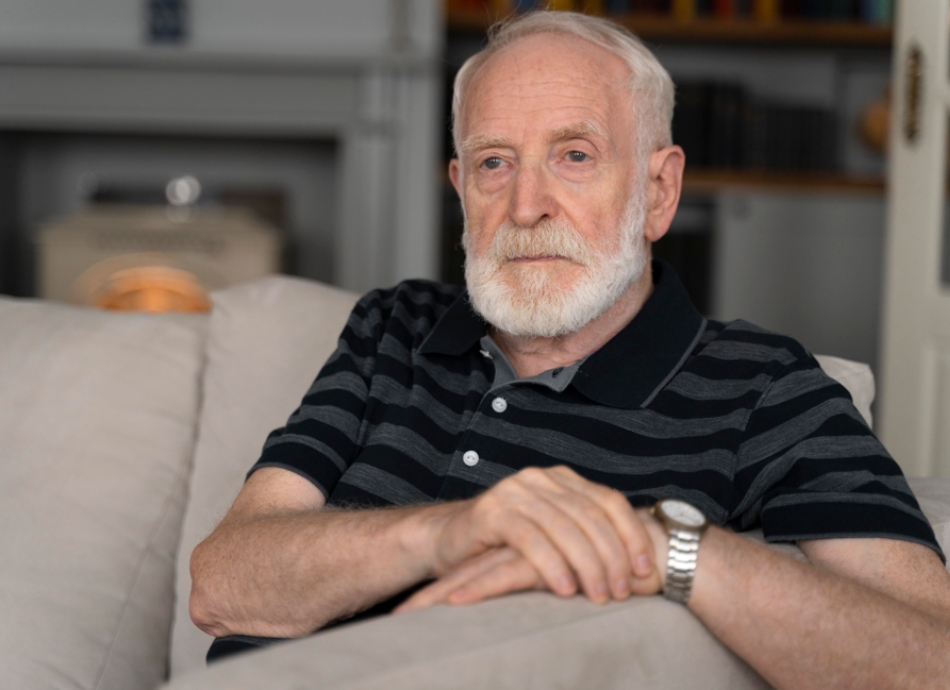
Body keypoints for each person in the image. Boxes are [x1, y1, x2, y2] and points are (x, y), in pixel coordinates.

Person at [189, 11, 950, 687]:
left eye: (575, 156)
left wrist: (666, 549)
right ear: (461, 189)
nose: (526, 206)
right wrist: (446, 533)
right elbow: (221, 585)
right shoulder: (393, 327)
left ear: (659, 192)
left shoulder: (763, 387)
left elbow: (932, 661)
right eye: (494, 163)